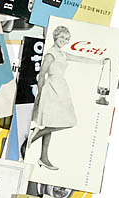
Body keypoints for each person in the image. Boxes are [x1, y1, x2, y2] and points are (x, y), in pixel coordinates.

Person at [28, 25, 107, 170]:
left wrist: (99, 62)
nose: (64, 40)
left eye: (66, 39)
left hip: (61, 89)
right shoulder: (51, 54)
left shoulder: (62, 54)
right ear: (55, 37)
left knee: (53, 123)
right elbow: (42, 74)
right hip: (51, 89)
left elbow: (79, 58)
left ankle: (43, 157)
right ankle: (35, 135)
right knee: (67, 122)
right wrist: (39, 94)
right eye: (62, 37)